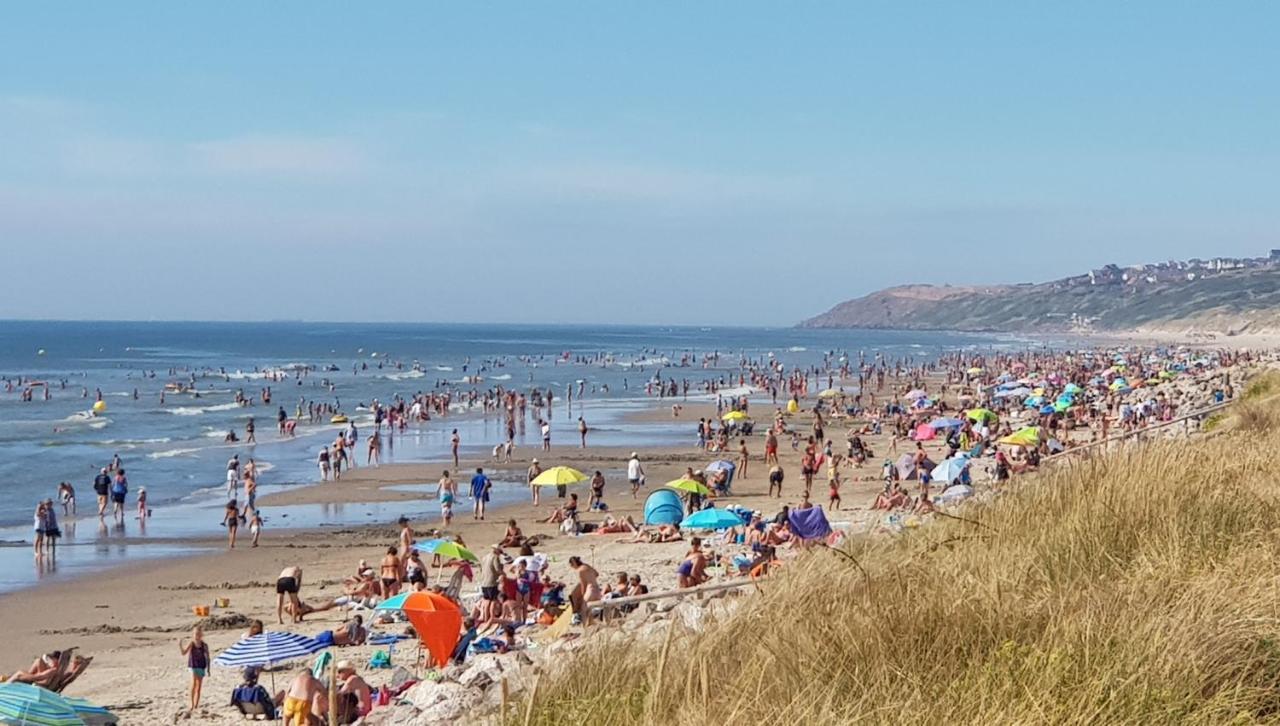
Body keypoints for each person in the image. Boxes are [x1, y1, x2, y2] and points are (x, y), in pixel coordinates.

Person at [178, 626, 209, 713]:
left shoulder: (204, 645)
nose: (197, 636)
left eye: (199, 634)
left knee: (199, 687)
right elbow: (184, 653)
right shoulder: (191, 643)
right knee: (193, 684)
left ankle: (196, 705)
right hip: (193, 666)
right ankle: (191, 704)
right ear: (193, 635)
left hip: (201, 666)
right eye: (196, 634)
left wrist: (208, 668)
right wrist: (180, 645)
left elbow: (207, 657)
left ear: (202, 635)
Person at [567, 555, 602, 622]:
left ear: (574, 564)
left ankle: (587, 625)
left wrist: (582, 596)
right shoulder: (587, 566)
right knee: (592, 608)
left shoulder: (580, 570)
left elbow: (583, 585)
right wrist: (590, 576)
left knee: (584, 609)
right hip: (597, 589)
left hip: (590, 590)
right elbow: (597, 574)